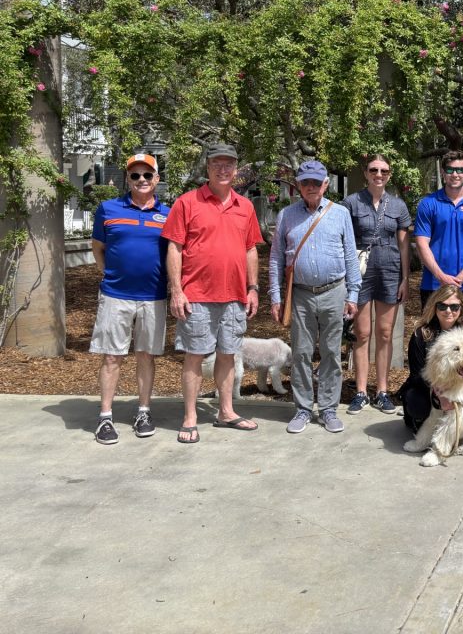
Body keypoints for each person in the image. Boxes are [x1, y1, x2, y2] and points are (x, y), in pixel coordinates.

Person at [162, 143, 263, 444]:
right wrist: (177, 290)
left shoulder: (245, 207)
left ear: (236, 170)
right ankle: (190, 417)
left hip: (234, 296)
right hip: (197, 295)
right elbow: (174, 247)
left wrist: (253, 288)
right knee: (194, 356)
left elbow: (250, 249)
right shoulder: (187, 202)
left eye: (228, 164)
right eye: (217, 164)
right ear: (206, 167)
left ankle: (226, 412)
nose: (223, 169)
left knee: (228, 355)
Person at [269, 160, 361, 433]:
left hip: (334, 291)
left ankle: (329, 408)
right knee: (301, 353)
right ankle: (303, 408)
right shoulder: (286, 215)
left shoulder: (340, 213)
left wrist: (353, 293)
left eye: (316, 182)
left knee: (332, 352)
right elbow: (275, 258)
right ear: (299, 185)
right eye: (305, 182)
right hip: (300, 296)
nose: (311, 187)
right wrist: (276, 296)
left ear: (325, 184)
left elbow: (350, 255)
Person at [89, 153, 170, 444]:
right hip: (115, 295)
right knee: (112, 357)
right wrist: (107, 275)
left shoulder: (168, 214)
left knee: (146, 356)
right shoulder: (108, 209)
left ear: (156, 179)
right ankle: (105, 417)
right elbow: (98, 247)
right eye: (135, 175)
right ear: (128, 179)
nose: (141, 180)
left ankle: (143, 411)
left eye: (147, 175)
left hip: (154, 296)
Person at [342, 154, 412, 415]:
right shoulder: (351, 203)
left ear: (390, 174)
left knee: (384, 334)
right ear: (366, 173)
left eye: (384, 170)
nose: (379, 174)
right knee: (362, 334)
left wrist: (405, 278)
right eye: (374, 170)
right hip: (360, 274)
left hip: (390, 271)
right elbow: (345, 242)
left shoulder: (398, 206)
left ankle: (381, 390)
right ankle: (361, 391)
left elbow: (404, 245)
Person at [396, 285, 463, 434]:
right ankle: (420, 422)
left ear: (461, 308)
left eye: (454, 307)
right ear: (434, 307)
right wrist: (438, 394)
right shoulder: (422, 334)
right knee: (415, 401)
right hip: (432, 386)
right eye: (442, 306)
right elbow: (416, 375)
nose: (448, 311)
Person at [414, 150, 463, 313]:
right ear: (442, 172)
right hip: (433, 284)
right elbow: (421, 244)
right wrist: (441, 276)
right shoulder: (428, 204)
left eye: (460, 170)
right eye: (450, 170)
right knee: (432, 336)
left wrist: (459, 279)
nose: (455, 174)